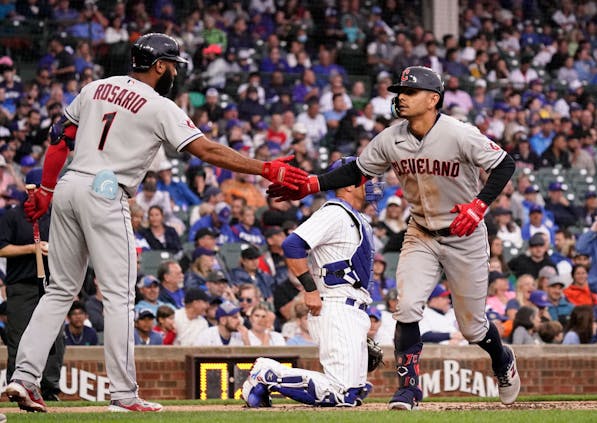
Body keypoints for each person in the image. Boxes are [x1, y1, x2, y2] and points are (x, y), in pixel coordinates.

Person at [8, 33, 307, 414]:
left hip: (68, 186)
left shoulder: (96, 87)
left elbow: (58, 138)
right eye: (173, 66)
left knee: (59, 291)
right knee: (119, 297)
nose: (175, 74)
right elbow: (206, 150)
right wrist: (266, 168)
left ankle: (23, 377)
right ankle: (123, 394)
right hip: (105, 191)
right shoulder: (158, 104)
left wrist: (46, 190)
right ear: (161, 66)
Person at [267, 66, 520, 409]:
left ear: (433, 99)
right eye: (399, 91)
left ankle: (502, 359)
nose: (401, 97)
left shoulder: (460, 133)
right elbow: (356, 170)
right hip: (421, 232)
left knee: (474, 328)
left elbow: (505, 164)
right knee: (407, 308)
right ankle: (409, 388)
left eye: (409, 92)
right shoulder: (391, 137)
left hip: (465, 233)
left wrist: (479, 206)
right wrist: (312, 184)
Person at [242, 156, 382, 408]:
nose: (371, 184)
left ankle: (270, 377)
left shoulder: (357, 218)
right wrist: (310, 289)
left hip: (353, 308)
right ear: (348, 184)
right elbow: (292, 244)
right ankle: (266, 373)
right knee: (340, 393)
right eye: (366, 179)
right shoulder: (335, 212)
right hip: (337, 304)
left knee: (354, 393)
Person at [0, 168, 64, 401]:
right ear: (31, 189)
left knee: (55, 339)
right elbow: (1, 248)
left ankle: (49, 388)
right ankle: (16, 387)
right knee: (18, 337)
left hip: (52, 285)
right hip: (22, 286)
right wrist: (32, 248)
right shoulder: (13, 216)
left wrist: (52, 250)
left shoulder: (58, 215)